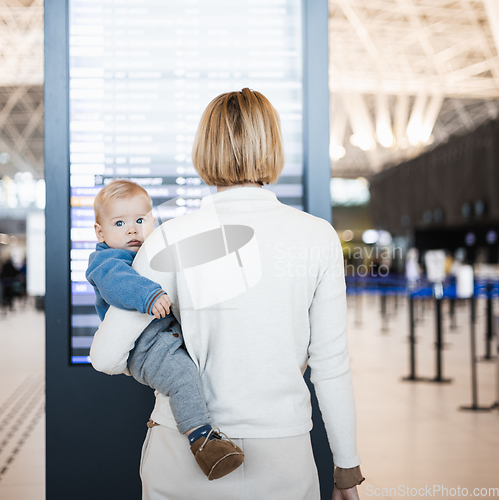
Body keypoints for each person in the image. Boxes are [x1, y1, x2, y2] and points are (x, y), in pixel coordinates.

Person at [90, 88, 364, 499]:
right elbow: (331, 364)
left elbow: (106, 355)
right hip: (283, 455)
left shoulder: (169, 238)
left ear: (204, 149)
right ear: (273, 145)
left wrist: (162, 363)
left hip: (183, 454)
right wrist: (346, 468)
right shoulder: (317, 237)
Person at [86, 179, 244, 480]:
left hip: (164, 336)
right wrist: (150, 296)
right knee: (182, 377)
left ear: (152, 222)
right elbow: (119, 283)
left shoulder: (152, 251)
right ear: (100, 232)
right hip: (146, 347)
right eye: (119, 223)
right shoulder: (107, 261)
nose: (132, 229)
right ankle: (202, 441)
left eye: (140, 220)